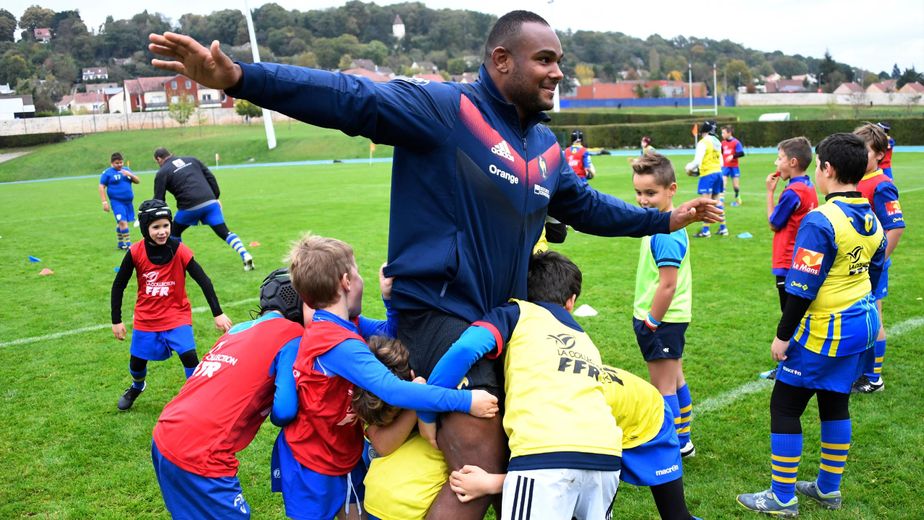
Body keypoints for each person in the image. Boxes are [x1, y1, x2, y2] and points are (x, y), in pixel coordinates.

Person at [149, 12, 719, 517]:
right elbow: (350, 96)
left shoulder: (545, 147)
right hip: (437, 314)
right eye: (544, 59)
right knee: (482, 461)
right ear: (501, 60)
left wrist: (663, 221)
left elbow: (588, 207)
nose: (557, 72)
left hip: (506, 318)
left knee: (531, 451)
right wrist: (241, 78)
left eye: (559, 61)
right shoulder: (446, 110)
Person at [268, 234, 499, 520]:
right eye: (357, 271)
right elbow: (392, 390)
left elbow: (392, 334)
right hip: (310, 460)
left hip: (340, 450)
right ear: (346, 281)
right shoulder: (336, 344)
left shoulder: (342, 324)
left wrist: (389, 301)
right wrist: (465, 400)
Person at [736, 133, 886, 516]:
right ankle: (827, 489)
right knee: (835, 402)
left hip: (827, 327)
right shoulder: (870, 213)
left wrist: (782, 336)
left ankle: (782, 497)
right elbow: (874, 266)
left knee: (785, 404)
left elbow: (801, 288)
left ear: (827, 169)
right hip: (862, 323)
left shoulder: (822, 220)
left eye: (820, 165)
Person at [421, 251, 623, 520]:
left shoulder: (516, 313)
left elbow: (464, 349)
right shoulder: (586, 340)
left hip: (546, 456)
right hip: (606, 456)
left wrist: (427, 408)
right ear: (571, 302)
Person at [450, 365, 700, 520]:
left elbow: (552, 471)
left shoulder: (543, 411)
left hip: (649, 418)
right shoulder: (528, 389)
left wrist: (489, 483)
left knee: (675, 516)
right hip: (610, 414)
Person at [151, 268, 305, 519]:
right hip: (202, 450)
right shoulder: (292, 334)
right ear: (297, 304)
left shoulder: (237, 329)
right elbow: (284, 411)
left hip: (165, 432)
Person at [110, 199, 232, 411]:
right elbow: (118, 286)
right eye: (156, 227)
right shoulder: (135, 252)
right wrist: (116, 320)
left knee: (189, 355)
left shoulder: (179, 249)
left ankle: (196, 397)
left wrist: (218, 313)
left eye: (166, 225)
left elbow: (204, 280)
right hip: (146, 318)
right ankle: (137, 386)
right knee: (137, 364)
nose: (162, 231)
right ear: (145, 228)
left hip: (177, 316)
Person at [630, 153, 696, 458]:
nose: (643, 200)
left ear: (671, 189)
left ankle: (669, 446)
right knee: (676, 378)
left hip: (662, 320)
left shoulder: (665, 234)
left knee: (663, 387)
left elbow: (667, 284)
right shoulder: (661, 224)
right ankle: (683, 440)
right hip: (670, 318)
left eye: (651, 193)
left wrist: (651, 322)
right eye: (639, 193)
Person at [352, 336, 449, 520]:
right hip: (383, 486)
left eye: (389, 417)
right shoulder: (367, 386)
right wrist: (416, 399)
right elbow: (382, 444)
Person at [851, 123, 905, 393]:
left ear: (880, 155)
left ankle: (874, 378)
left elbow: (896, 225)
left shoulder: (882, 184)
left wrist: (880, 260)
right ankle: (861, 372)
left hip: (872, 266)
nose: (861, 156)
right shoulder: (856, 180)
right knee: (860, 317)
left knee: (875, 317)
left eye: (866, 151)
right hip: (856, 264)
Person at [761, 137, 818, 380]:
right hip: (804, 260)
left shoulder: (793, 192)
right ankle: (801, 363)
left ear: (792, 162)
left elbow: (774, 223)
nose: (776, 162)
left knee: (790, 317)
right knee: (800, 315)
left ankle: (790, 366)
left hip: (788, 262)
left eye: (780, 157)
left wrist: (769, 193)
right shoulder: (809, 186)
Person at [152, 147, 254, 272]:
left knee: (173, 233)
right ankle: (245, 254)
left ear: (158, 159)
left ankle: (181, 263)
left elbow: (159, 199)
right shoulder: (192, 159)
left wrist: (158, 216)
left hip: (189, 207)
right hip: (210, 203)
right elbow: (211, 178)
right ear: (170, 154)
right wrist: (215, 197)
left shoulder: (163, 172)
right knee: (224, 232)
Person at [685, 120, 727, 237]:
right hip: (718, 173)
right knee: (718, 202)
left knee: (705, 204)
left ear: (703, 132)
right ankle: (723, 228)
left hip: (708, 175)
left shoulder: (703, 142)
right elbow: (721, 162)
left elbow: (697, 161)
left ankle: (706, 231)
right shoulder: (717, 142)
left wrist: (688, 168)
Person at [98, 152, 140, 250]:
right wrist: (104, 202)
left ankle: (120, 243)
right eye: (117, 163)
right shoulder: (107, 173)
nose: (120, 165)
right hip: (117, 202)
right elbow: (101, 187)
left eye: (121, 162)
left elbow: (138, 181)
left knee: (121, 223)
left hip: (128, 203)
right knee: (122, 221)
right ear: (112, 163)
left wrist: (130, 175)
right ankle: (128, 245)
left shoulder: (126, 170)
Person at [721, 125, 745, 206]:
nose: (722, 134)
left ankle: (738, 199)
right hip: (725, 166)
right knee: (723, 183)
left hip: (734, 167)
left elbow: (741, 153)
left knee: (736, 186)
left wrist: (732, 156)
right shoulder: (722, 143)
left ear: (729, 133)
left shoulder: (736, 142)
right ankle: (721, 200)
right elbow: (720, 153)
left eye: (723, 133)